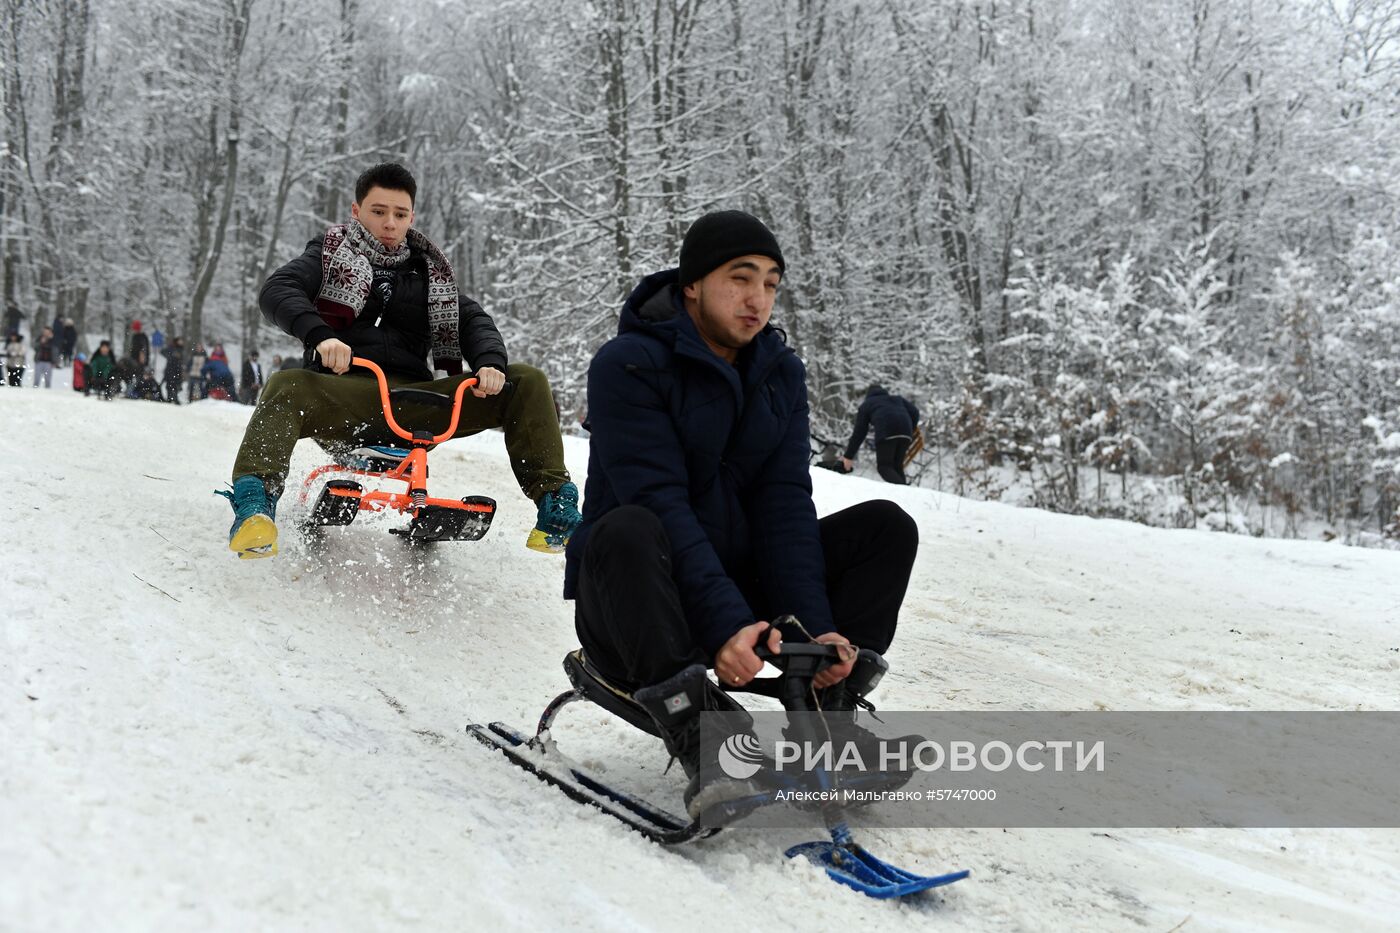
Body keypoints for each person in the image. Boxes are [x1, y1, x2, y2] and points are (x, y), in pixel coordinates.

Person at [564, 210, 921, 820]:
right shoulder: (626, 364)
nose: (759, 299)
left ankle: (828, 720)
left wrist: (815, 627)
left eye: (772, 283)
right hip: (640, 609)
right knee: (626, 526)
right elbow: (659, 501)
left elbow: (784, 506)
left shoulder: (780, 373)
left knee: (885, 527)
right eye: (741, 278)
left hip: (741, 599)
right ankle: (703, 736)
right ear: (692, 285)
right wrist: (727, 622)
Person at [219, 161, 580, 560]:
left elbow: (472, 319)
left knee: (526, 380)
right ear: (356, 211)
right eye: (378, 211)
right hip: (347, 395)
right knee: (286, 383)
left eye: (400, 214)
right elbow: (278, 290)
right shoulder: (326, 256)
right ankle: (255, 507)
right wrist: (322, 336)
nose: (389, 223)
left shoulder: (430, 273)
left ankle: (556, 511)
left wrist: (489, 363)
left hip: (415, 402)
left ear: (411, 216)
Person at [840, 385, 920, 485]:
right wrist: (910, 428)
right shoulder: (897, 399)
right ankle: (903, 494)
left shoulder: (867, 404)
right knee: (897, 467)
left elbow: (859, 432)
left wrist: (848, 456)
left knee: (884, 466)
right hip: (906, 433)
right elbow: (915, 412)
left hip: (887, 431)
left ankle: (903, 491)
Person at [162, 337, 186, 403]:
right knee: (169, 384)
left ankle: (175, 398)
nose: (181, 342)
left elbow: (182, 359)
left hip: (177, 370)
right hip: (170, 369)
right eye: (180, 341)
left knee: (176, 385)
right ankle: (169, 398)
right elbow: (163, 352)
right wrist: (171, 355)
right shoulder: (171, 348)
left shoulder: (181, 349)